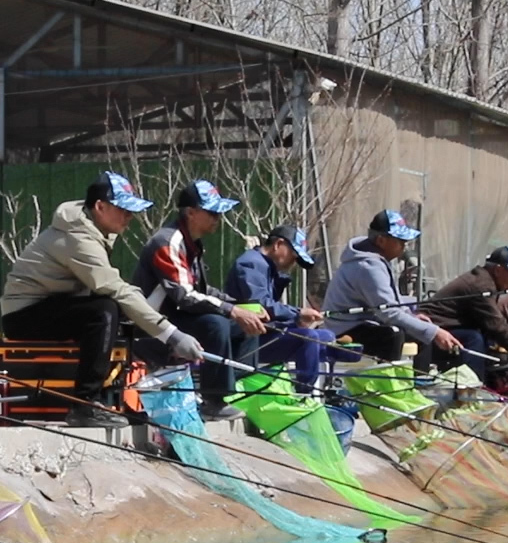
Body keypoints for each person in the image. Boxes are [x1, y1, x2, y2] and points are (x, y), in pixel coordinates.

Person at [0, 171, 203, 428]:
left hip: (51, 305)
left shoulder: (91, 228)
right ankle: (85, 405)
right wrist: (172, 335)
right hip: (24, 315)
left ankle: (115, 400)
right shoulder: (78, 238)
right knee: (104, 311)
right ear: (100, 206)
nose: (129, 216)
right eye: (124, 209)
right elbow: (113, 287)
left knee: (115, 311)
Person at [130, 180, 265, 421]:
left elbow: (203, 290)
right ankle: (214, 400)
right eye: (212, 212)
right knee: (217, 324)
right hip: (153, 326)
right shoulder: (167, 242)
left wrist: (243, 309)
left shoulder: (193, 244)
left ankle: (231, 386)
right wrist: (231, 310)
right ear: (191, 212)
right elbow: (185, 296)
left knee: (246, 327)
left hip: (178, 316)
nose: (218, 218)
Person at [322, 209, 460, 364]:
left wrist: (411, 315)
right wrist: (435, 332)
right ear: (381, 240)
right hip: (345, 328)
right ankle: (387, 382)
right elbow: (388, 312)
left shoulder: (376, 260)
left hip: (367, 322)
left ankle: (421, 380)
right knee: (394, 334)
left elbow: (389, 300)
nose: (404, 247)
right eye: (400, 241)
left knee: (421, 331)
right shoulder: (368, 267)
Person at [225, 225, 341, 390]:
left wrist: (296, 319)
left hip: (265, 331)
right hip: (246, 338)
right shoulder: (251, 263)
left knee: (327, 336)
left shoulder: (267, 267)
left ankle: (326, 388)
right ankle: (304, 393)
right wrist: (297, 314)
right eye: (294, 256)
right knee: (308, 338)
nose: (294, 263)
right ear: (278, 244)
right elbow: (259, 305)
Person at [420, 245, 508, 380]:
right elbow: (497, 326)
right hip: (430, 330)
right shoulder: (481, 285)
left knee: (487, 341)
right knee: (473, 338)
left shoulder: (487, 281)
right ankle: (472, 389)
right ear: (498, 270)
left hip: (449, 327)